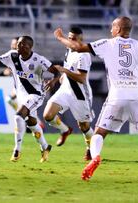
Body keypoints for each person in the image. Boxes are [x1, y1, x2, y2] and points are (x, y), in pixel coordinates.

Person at [54, 16, 138, 182]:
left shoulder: (107, 44)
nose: (111, 30)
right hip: (137, 97)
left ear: (119, 29)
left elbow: (77, 47)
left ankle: (95, 158)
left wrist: (60, 37)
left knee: (100, 132)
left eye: (113, 27)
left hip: (117, 95)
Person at [0, 35, 60, 162]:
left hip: (36, 94)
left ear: (29, 47)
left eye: (22, 44)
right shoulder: (12, 56)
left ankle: (17, 150)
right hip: (22, 95)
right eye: (18, 44)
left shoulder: (38, 60)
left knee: (18, 116)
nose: (18, 46)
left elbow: (56, 71)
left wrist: (53, 81)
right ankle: (45, 147)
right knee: (32, 123)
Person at [43, 27, 94, 161]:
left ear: (81, 40)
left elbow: (82, 78)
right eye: (69, 38)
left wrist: (64, 70)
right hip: (65, 89)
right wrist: (56, 79)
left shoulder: (84, 55)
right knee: (48, 115)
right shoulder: (68, 51)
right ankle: (65, 130)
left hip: (80, 93)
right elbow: (66, 70)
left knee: (84, 126)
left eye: (74, 38)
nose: (70, 40)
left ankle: (91, 149)